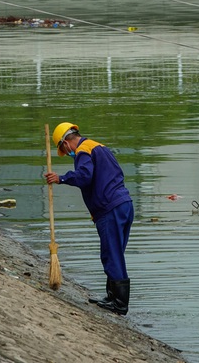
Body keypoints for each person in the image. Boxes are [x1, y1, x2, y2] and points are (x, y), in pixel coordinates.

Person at [44, 122, 133, 315]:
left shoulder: (83, 150)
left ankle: (119, 304)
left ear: (65, 143)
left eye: (63, 149)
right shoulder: (99, 146)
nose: (66, 153)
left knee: (111, 254)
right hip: (124, 204)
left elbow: (85, 177)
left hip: (109, 208)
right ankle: (112, 296)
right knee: (115, 252)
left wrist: (62, 178)